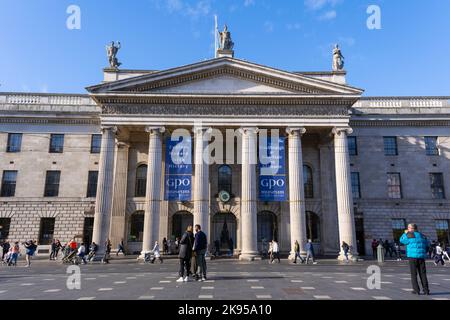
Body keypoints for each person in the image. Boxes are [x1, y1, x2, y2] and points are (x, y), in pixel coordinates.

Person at [400, 223, 430, 295]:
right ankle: (426, 290)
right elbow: (427, 245)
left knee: (414, 274)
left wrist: (405, 233)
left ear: (412, 229)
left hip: (412, 257)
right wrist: (423, 253)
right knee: (423, 274)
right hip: (421, 257)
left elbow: (402, 240)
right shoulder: (422, 236)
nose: (408, 229)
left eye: (409, 228)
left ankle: (416, 290)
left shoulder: (409, 235)